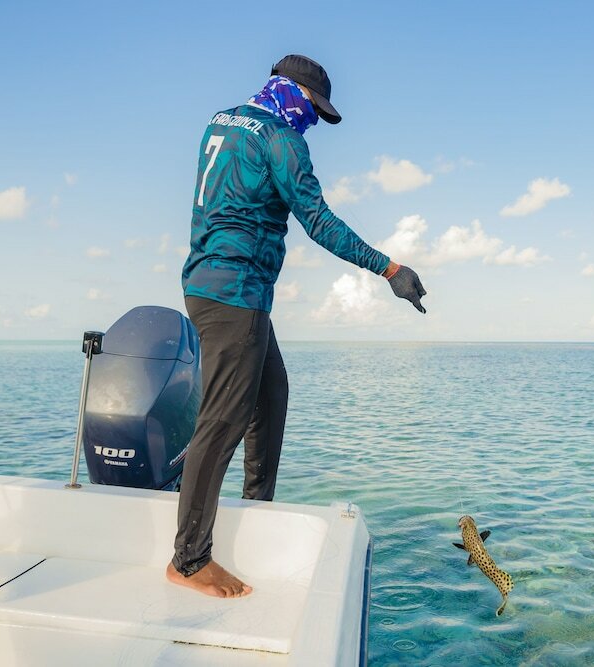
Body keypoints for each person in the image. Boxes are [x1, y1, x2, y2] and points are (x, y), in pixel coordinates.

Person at [168, 54, 426, 598]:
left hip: (213, 287)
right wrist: (390, 268)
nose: (312, 120)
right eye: (312, 108)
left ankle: (257, 509)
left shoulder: (222, 121)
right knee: (222, 424)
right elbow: (319, 222)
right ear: (291, 93)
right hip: (235, 296)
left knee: (272, 395)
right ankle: (189, 559)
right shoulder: (281, 140)